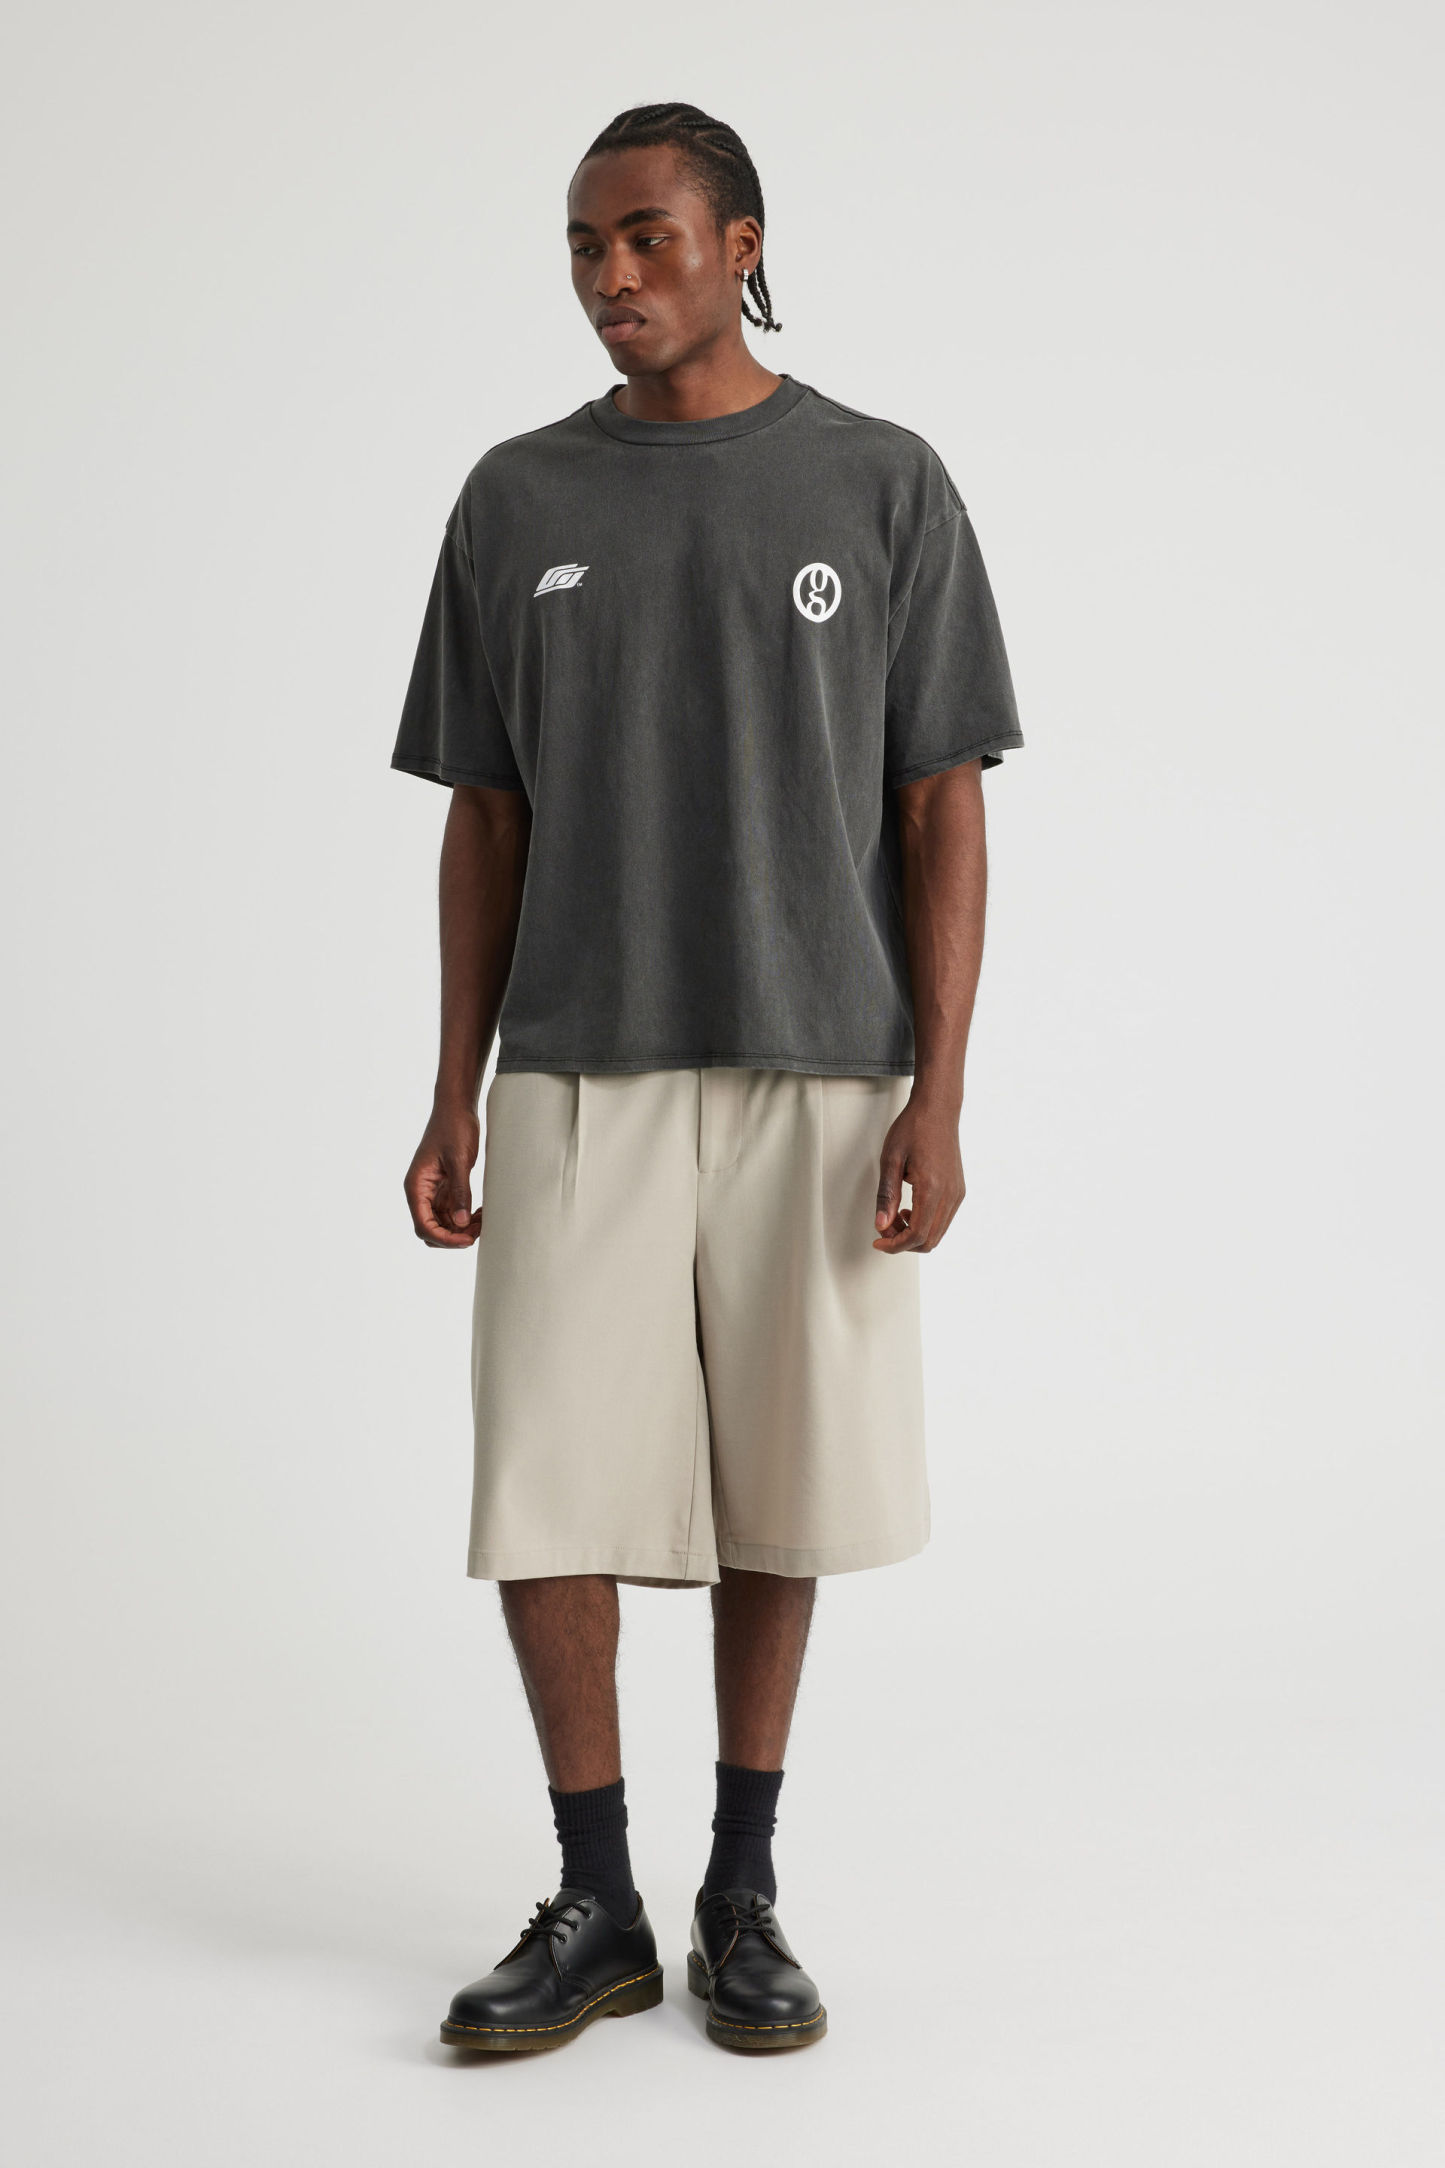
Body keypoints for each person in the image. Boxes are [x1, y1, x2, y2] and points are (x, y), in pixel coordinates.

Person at [391, 100, 1024, 2056]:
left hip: (818, 1060)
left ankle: (740, 1891)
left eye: (647, 238)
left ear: (741, 243)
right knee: (542, 1484)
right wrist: (452, 1085)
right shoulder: (514, 498)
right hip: (577, 1061)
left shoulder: (882, 481)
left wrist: (940, 1093)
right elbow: (482, 814)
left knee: (781, 1481)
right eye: (585, 248)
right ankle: (593, 1899)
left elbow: (941, 806)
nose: (611, 278)